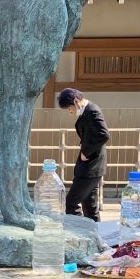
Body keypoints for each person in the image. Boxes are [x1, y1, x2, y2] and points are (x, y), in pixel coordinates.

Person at [57, 87, 110, 221]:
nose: (70, 112)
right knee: (90, 208)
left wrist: (86, 152)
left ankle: (80, 231)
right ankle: (96, 234)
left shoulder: (92, 111)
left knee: (70, 203)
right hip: (92, 166)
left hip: (91, 166)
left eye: (69, 108)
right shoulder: (87, 111)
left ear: (76, 101)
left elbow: (103, 135)